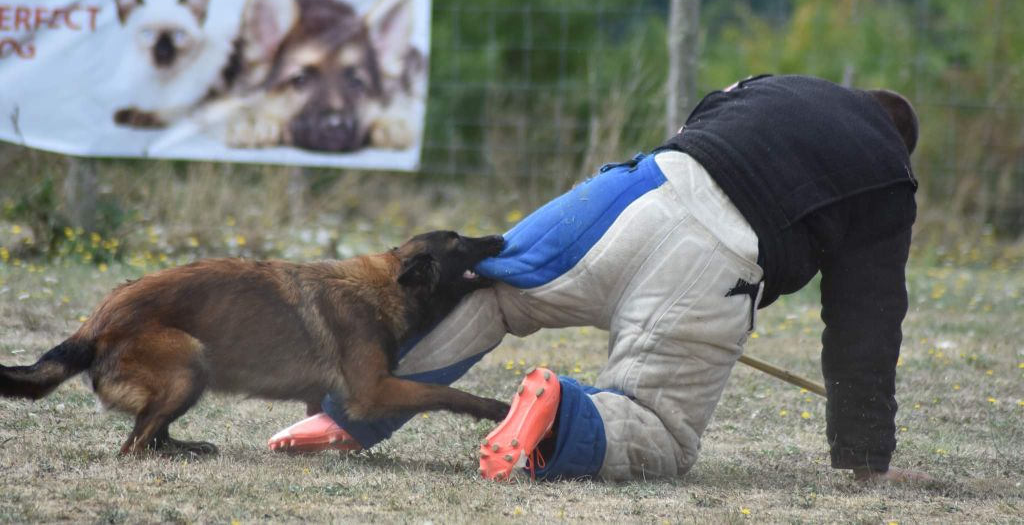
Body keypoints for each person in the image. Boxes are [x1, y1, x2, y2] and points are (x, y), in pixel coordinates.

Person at [267, 74, 930, 483]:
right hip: (716, 259)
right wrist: (864, 453)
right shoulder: (889, 176)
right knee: (659, 429)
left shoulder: (771, 82)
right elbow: (864, 325)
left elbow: (700, 133)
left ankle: (345, 416)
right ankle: (560, 410)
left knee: (492, 283)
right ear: (899, 143)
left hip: (635, 188)